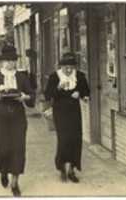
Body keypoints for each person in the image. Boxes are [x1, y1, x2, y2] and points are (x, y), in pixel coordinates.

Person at [0, 45, 35, 196]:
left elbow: (31, 96)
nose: (9, 64)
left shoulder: (22, 77)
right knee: (0, 149)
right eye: (6, 60)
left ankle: (15, 182)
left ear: (15, 61)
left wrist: (24, 97)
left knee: (18, 149)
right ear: (2, 61)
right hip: (0, 118)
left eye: (12, 60)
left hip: (18, 118)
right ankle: (3, 171)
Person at [44, 52, 89, 183]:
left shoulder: (80, 76)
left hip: (74, 112)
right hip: (60, 112)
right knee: (64, 140)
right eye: (66, 67)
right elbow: (47, 95)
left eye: (71, 67)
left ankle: (72, 170)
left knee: (76, 139)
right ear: (61, 67)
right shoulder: (54, 77)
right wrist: (58, 88)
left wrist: (81, 94)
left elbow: (86, 91)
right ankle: (62, 167)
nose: (69, 70)